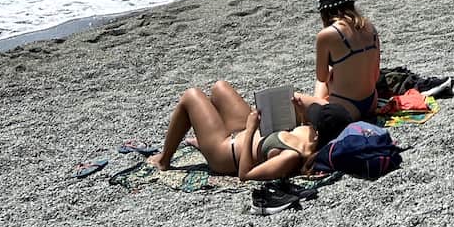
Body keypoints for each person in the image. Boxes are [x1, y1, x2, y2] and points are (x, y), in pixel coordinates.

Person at [147, 80, 346, 180]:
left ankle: (164, 159)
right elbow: (299, 130)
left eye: (315, 118)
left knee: (191, 96)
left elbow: (246, 175)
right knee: (219, 87)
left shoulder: (291, 157)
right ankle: (203, 138)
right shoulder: (311, 134)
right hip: (245, 132)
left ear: (320, 132)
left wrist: (251, 129)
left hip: (227, 152)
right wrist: (301, 113)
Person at [312, 0, 381, 124]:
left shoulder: (326, 35)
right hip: (371, 102)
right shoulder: (370, 27)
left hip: (346, 107)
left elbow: (322, 77)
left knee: (299, 99)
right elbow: (375, 75)